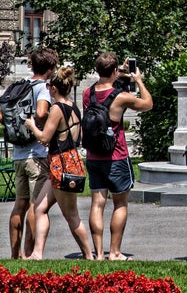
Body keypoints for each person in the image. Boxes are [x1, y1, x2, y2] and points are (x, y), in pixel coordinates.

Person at [83, 52, 153, 260]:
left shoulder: (88, 93)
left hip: (94, 156)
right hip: (116, 156)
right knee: (120, 204)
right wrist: (138, 81)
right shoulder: (121, 97)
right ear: (114, 70)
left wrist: (118, 72)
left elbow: (106, 83)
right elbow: (148, 104)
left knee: (97, 203)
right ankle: (114, 252)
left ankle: (98, 253)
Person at [24, 66, 93, 260]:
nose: (47, 89)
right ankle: (37, 253)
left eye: (48, 86)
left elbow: (45, 138)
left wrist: (31, 125)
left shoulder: (56, 109)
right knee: (40, 208)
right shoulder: (73, 106)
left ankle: (89, 255)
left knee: (71, 215)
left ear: (54, 88)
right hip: (67, 162)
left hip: (61, 165)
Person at [5, 47, 58, 259]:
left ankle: (15, 255)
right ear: (50, 68)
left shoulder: (19, 86)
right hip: (36, 154)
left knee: (20, 204)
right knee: (37, 206)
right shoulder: (42, 89)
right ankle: (30, 254)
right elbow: (41, 112)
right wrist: (45, 125)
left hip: (18, 154)